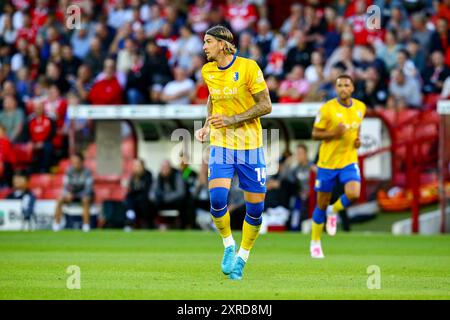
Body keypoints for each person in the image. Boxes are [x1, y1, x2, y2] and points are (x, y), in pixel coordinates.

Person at [195, 25, 272, 280]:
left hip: (251, 147)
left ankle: (242, 257)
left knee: (255, 210)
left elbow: (266, 105)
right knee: (217, 200)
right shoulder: (207, 71)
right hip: (222, 145)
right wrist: (207, 124)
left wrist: (233, 120)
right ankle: (228, 246)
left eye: (208, 41)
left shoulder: (249, 68)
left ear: (222, 44)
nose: (204, 46)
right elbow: (212, 98)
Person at [310, 74, 365, 258]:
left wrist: (357, 141)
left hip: (349, 159)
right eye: (339, 85)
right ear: (336, 88)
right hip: (327, 163)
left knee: (354, 193)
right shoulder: (327, 109)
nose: (342, 88)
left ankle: (334, 210)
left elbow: (357, 128)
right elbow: (315, 134)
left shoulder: (360, 107)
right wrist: (335, 133)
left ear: (352, 88)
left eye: (346, 85)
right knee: (321, 204)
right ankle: (315, 242)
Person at [53, 153, 94, 232]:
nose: (75, 164)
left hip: (83, 195)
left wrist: (81, 195)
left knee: (85, 200)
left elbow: (88, 188)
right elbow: (66, 186)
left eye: (77, 162)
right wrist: (68, 194)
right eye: (73, 162)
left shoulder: (87, 172)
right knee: (60, 199)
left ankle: (86, 225)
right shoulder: (68, 171)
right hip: (71, 195)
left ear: (82, 162)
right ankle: (56, 224)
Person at [124, 159, 153, 230]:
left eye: (138, 166)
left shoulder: (148, 175)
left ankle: (146, 223)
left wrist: (134, 189)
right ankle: (130, 222)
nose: (136, 168)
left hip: (145, 199)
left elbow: (146, 190)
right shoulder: (133, 176)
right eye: (135, 166)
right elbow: (131, 190)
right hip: (134, 199)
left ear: (143, 166)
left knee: (142, 199)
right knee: (128, 199)